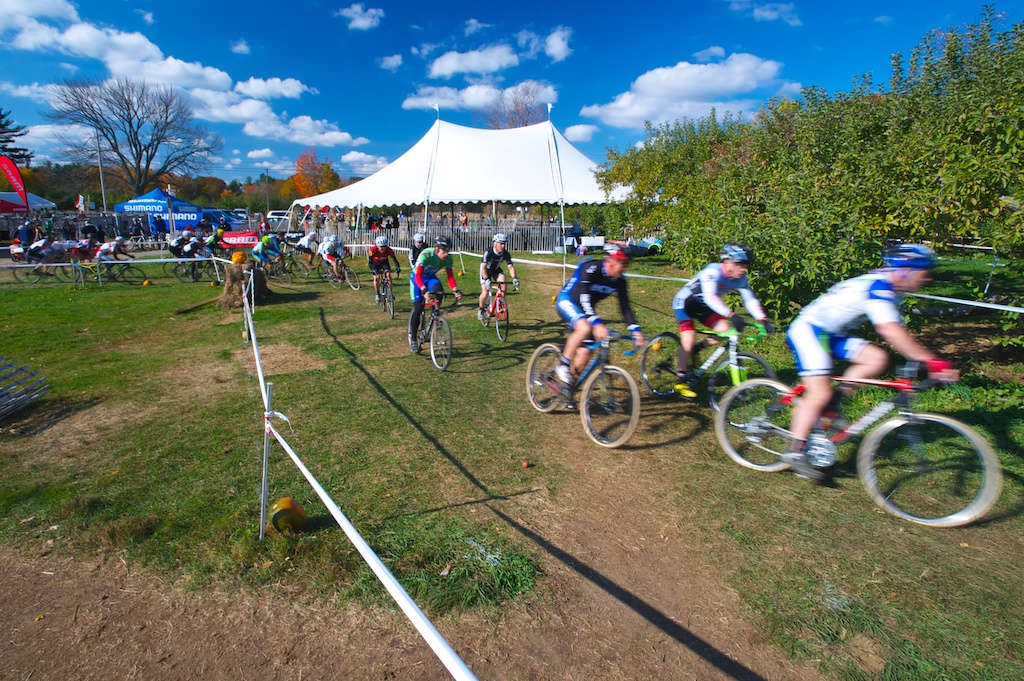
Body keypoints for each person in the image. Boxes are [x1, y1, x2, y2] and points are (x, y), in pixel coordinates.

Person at [782, 244, 958, 480]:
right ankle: (796, 450)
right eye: (924, 272)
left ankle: (832, 404)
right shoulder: (879, 287)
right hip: (809, 331)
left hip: (829, 333)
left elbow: (897, 331)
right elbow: (889, 329)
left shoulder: (888, 287)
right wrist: (931, 361)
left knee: (877, 358)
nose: (928, 278)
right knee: (819, 392)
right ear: (906, 270)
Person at [670, 243, 774, 397]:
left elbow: (750, 300)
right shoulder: (713, 271)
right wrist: (731, 315)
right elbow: (710, 297)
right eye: (740, 264)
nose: (744, 269)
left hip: (703, 306)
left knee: (726, 330)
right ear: (728, 262)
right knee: (688, 339)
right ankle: (681, 379)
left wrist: (763, 319)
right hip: (685, 303)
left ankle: (697, 349)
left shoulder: (741, 278)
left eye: (746, 265)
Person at [553, 243, 645, 387]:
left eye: (627, 265)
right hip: (568, 300)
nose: (625, 269)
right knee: (584, 327)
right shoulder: (592, 268)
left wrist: (635, 330)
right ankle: (563, 364)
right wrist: (596, 324)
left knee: (585, 353)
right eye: (624, 264)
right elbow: (584, 297)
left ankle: (567, 390)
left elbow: (625, 307)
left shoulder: (620, 281)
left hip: (585, 309)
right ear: (611, 261)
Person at [408, 236, 463, 353]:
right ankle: (413, 338)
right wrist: (423, 289)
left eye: (448, 251)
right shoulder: (426, 255)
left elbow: (450, 276)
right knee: (418, 307)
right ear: (437, 249)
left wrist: (455, 290)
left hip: (430, 278)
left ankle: (434, 317)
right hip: (417, 279)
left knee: (440, 292)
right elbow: (418, 276)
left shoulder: (448, 259)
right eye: (445, 251)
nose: (447, 254)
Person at [477, 233, 519, 321]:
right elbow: (483, 267)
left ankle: (499, 303)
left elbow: (511, 267)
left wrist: (514, 278)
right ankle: (481, 309)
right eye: (501, 243)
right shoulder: (488, 252)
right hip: (485, 271)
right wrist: (486, 279)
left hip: (496, 270)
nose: (503, 246)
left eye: (504, 243)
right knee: (485, 291)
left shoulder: (505, 253)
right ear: (495, 243)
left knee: (503, 285)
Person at [367, 235, 401, 303]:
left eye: (384, 246)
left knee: (388, 275)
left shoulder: (388, 250)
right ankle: (377, 293)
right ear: (377, 246)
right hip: (375, 263)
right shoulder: (373, 250)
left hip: (384, 263)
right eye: (381, 247)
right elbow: (370, 261)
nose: (383, 248)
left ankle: (390, 293)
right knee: (377, 277)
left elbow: (394, 259)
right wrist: (373, 269)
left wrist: (398, 267)